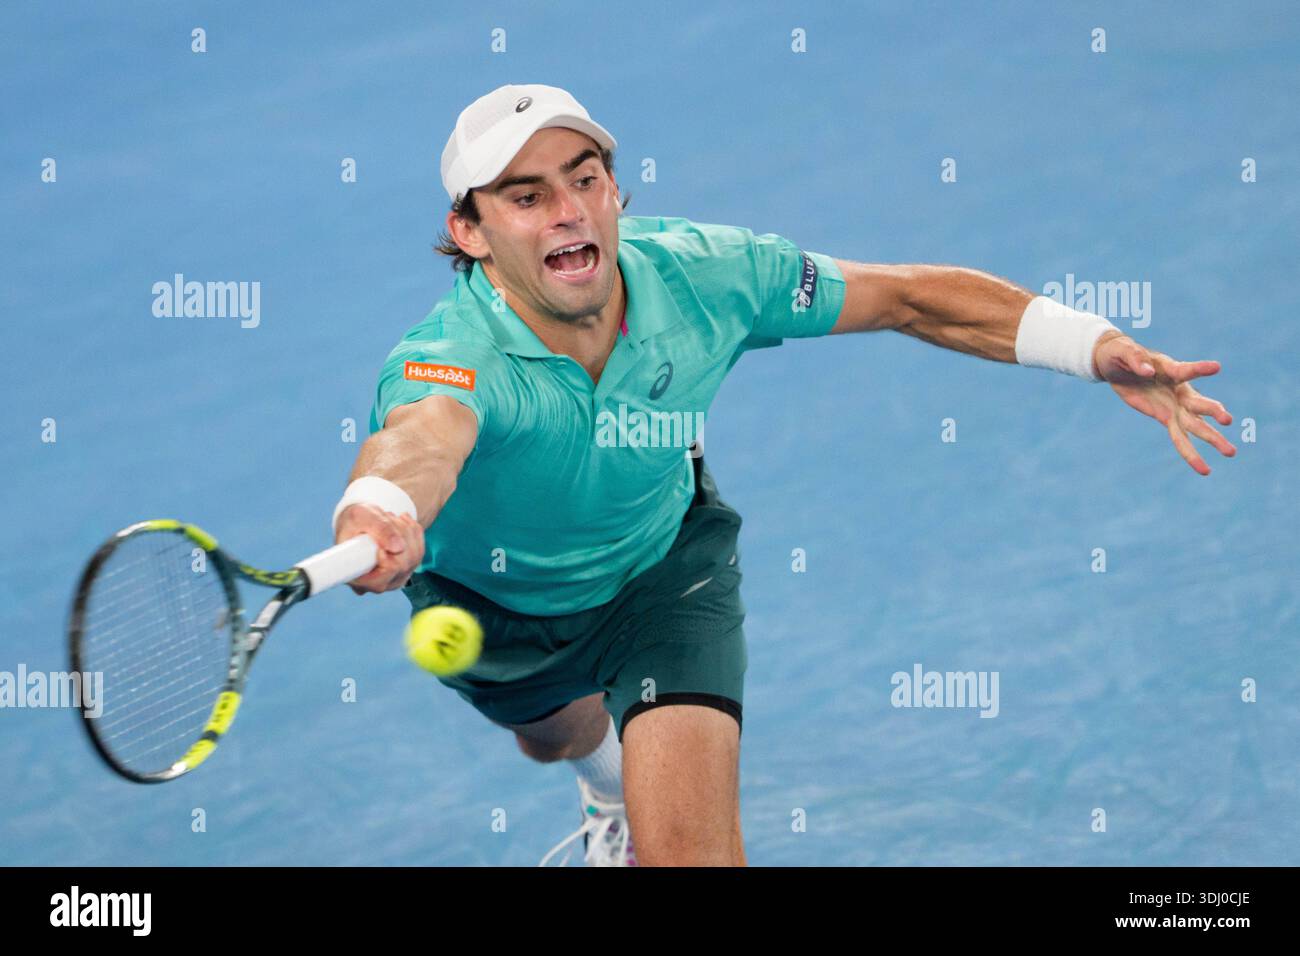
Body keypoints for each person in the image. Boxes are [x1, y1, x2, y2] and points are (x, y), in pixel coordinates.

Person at [331, 83, 1234, 867]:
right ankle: (605, 789)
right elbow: (420, 439)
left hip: (662, 572)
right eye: (526, 197)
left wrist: (1095, 346)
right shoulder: (452, 356)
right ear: (470, 231)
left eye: (585, 178)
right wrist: (380, 505)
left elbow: (909, 297)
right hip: (495, 604)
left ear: (615, 191)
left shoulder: (711, 275)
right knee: (557, 737)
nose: (568, 210)